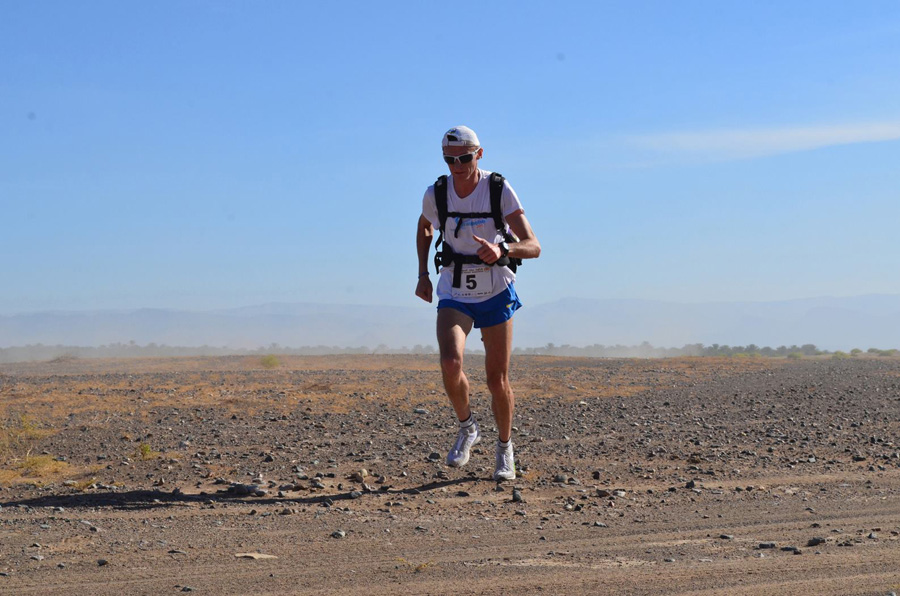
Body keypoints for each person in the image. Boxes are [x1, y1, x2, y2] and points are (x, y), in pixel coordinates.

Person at [415, 125, 541, 481]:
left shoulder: (497, 189)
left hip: (496, 290)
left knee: (496, 379)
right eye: (449, 159)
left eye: (464, 158)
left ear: (479, 154)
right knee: (450, 361)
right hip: (454, 290)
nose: (457, 165)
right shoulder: (437, 193)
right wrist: (423, 274)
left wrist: (503, 249)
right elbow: (425, 227)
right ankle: (468, 427)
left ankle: (505, 449)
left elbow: (533, 245)